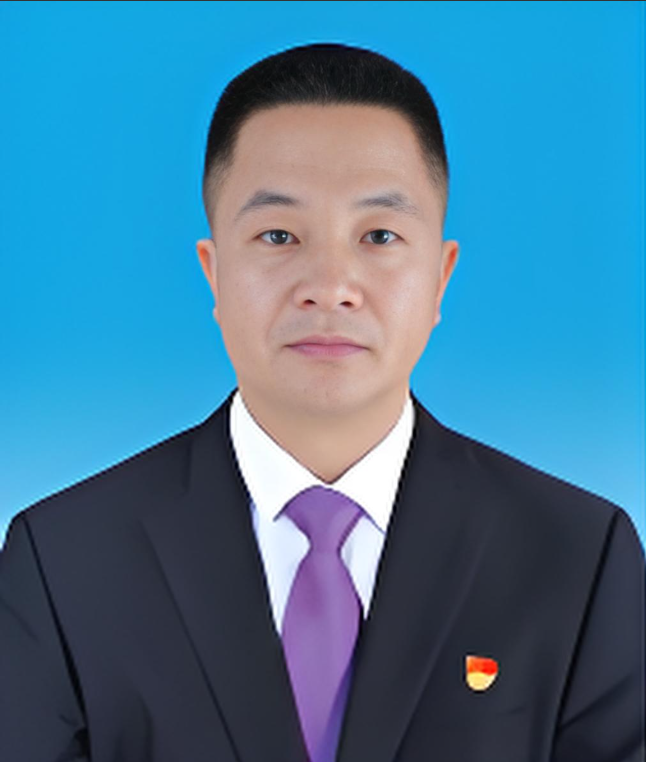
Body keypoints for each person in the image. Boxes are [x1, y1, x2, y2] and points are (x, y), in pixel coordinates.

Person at [0, 42, 643, 762]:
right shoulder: (65, 562)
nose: (330, 286)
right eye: (278, 235)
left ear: (440, 277)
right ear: (215, 272)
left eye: (379, 236)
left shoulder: (577, 557)